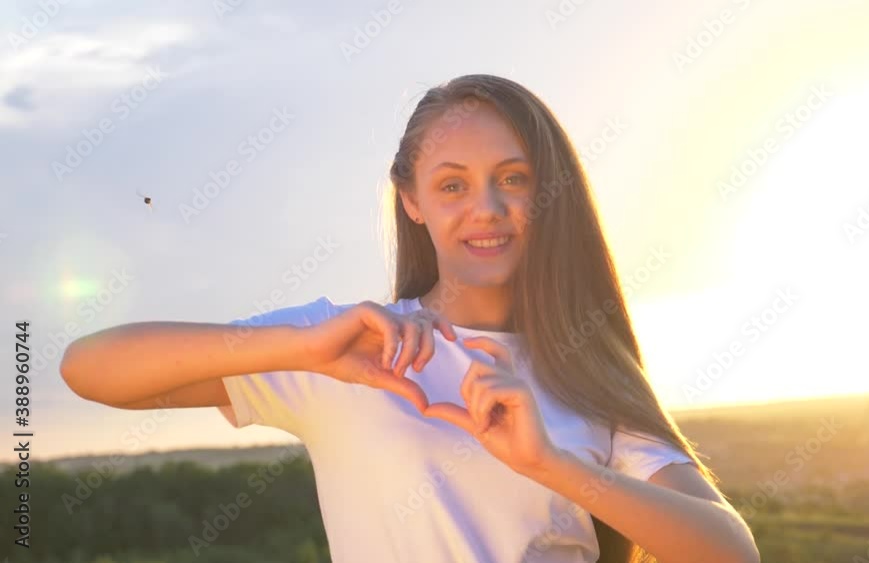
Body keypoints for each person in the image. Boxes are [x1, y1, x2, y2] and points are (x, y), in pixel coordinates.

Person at [60, 74, 759, 563]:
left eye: (512, 178)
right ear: (413, 200)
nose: (485, 207)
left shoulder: (585, 370)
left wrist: (549, 462)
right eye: (452, 184)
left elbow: (729, 551)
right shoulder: (348, 347)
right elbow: (87, 369)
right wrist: (301, 348)